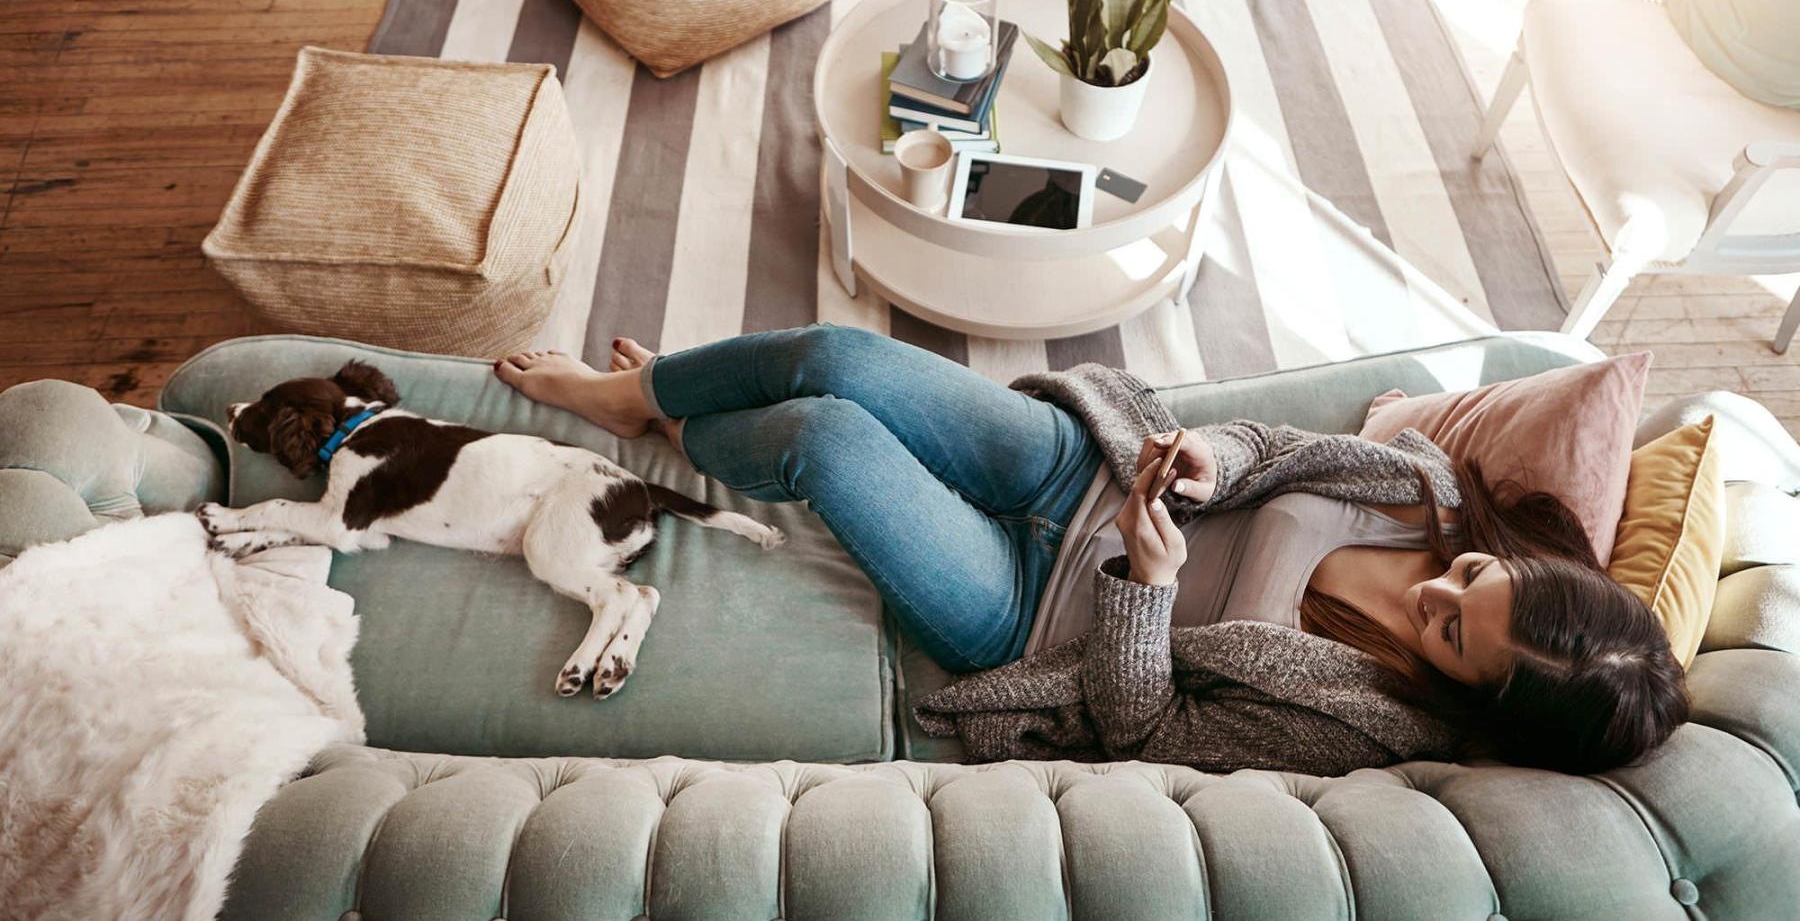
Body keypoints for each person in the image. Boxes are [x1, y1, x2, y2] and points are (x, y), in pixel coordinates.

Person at [494, 324, 1688, 776]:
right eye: (1478, 579)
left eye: (1448, 631)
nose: (1440, 587)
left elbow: (1149, 730)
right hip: (1081, 470)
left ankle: (683, 426)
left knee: (823, 436)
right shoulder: (1429, 489)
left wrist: (1149, 589)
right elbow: (1275, 446)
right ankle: (637, 395)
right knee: (839, 357)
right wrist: (1216, 457)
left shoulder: (1365, 723)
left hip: (1029, 610)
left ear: (1468, 697)